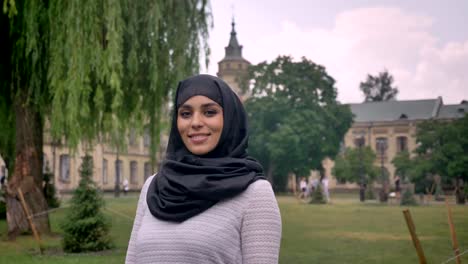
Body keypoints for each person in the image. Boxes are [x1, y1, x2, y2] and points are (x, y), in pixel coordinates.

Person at [126, 74, 282, 264]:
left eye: (209, 112)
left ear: (230, 118)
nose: (196, 122)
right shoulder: (154, 186)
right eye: (185, 113)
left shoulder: (255, 193)